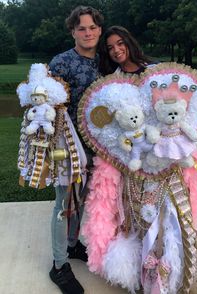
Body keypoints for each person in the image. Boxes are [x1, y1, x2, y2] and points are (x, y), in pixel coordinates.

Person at [81, 25, 197, 294]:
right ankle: (142, 272)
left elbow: (176, 110)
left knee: (168, 215)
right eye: (110, 47)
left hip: (165, 163)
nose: (116, 50)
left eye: (119, 43)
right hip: (132, 163)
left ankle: (168, 269)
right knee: (136, 215)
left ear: (129, 41)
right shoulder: (111, 81)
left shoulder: (156, 72)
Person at [48, 6, 103, 294]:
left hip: (96, 148)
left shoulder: (103, 62)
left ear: (99, 30)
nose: (88, 32)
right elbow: (47, 109)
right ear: (73, 31)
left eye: (92, 27)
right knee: (63, 206)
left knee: (81, 201)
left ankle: (71, 246)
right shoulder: (61, 63)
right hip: (67, 148)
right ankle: (58, 265)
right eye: (82, 28)